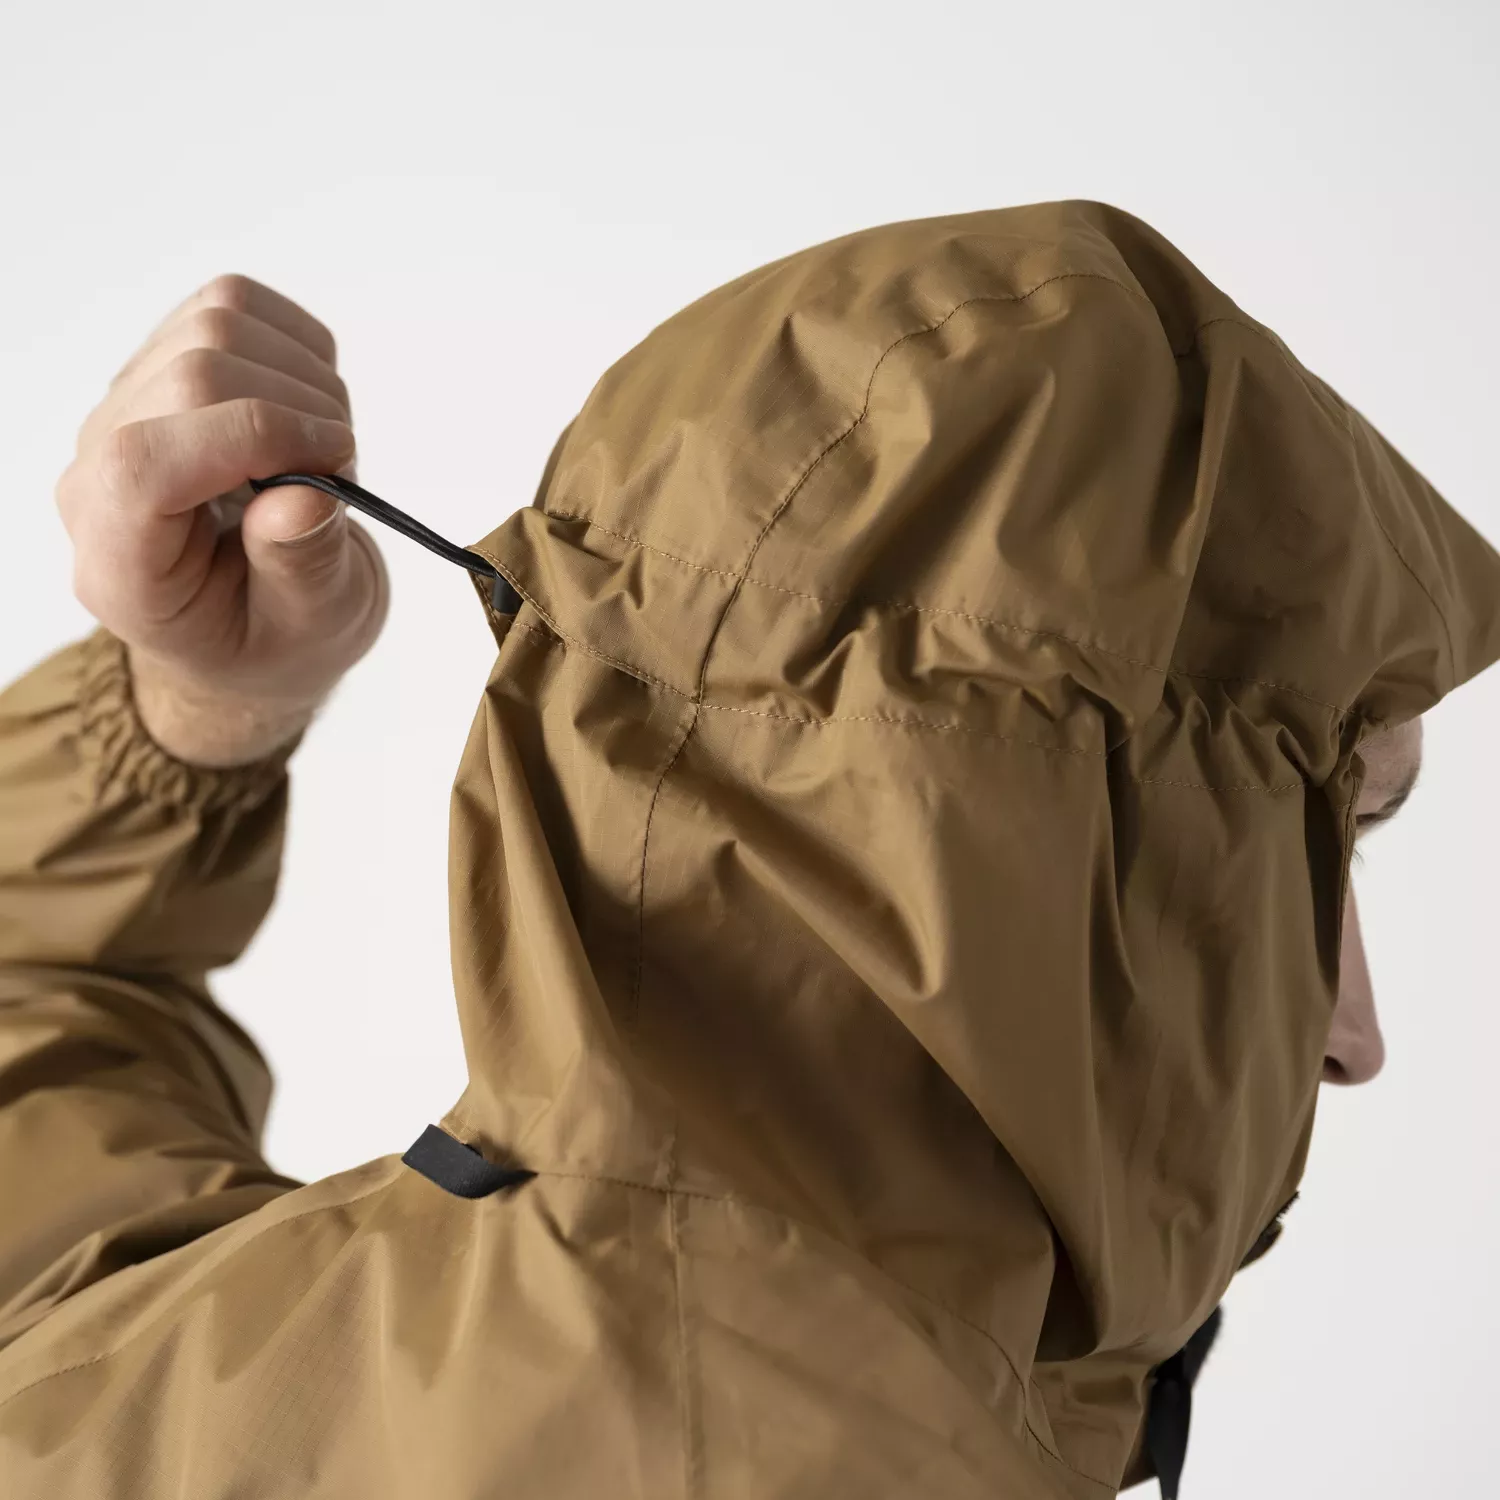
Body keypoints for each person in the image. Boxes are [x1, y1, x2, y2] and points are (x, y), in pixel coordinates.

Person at [0, 200, 1494, 1499]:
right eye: (1317, 840)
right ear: (1014, 849)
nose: (1355, 1037)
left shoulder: (193, 1387)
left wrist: (198, 709)